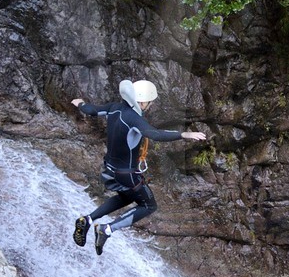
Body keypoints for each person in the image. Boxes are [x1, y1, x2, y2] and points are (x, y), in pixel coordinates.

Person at [70, 79, 206, 254]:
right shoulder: (134, 119)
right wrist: (185, 134)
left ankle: (87, 220)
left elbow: (92, 110)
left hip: (109, 169)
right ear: (142, 102)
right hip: (127, 174)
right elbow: (155, 134)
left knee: (126, 197)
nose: (149, 106)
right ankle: (107, 229)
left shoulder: (114, 108)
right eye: (149, 102)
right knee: (149, 205)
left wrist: (80, 103)